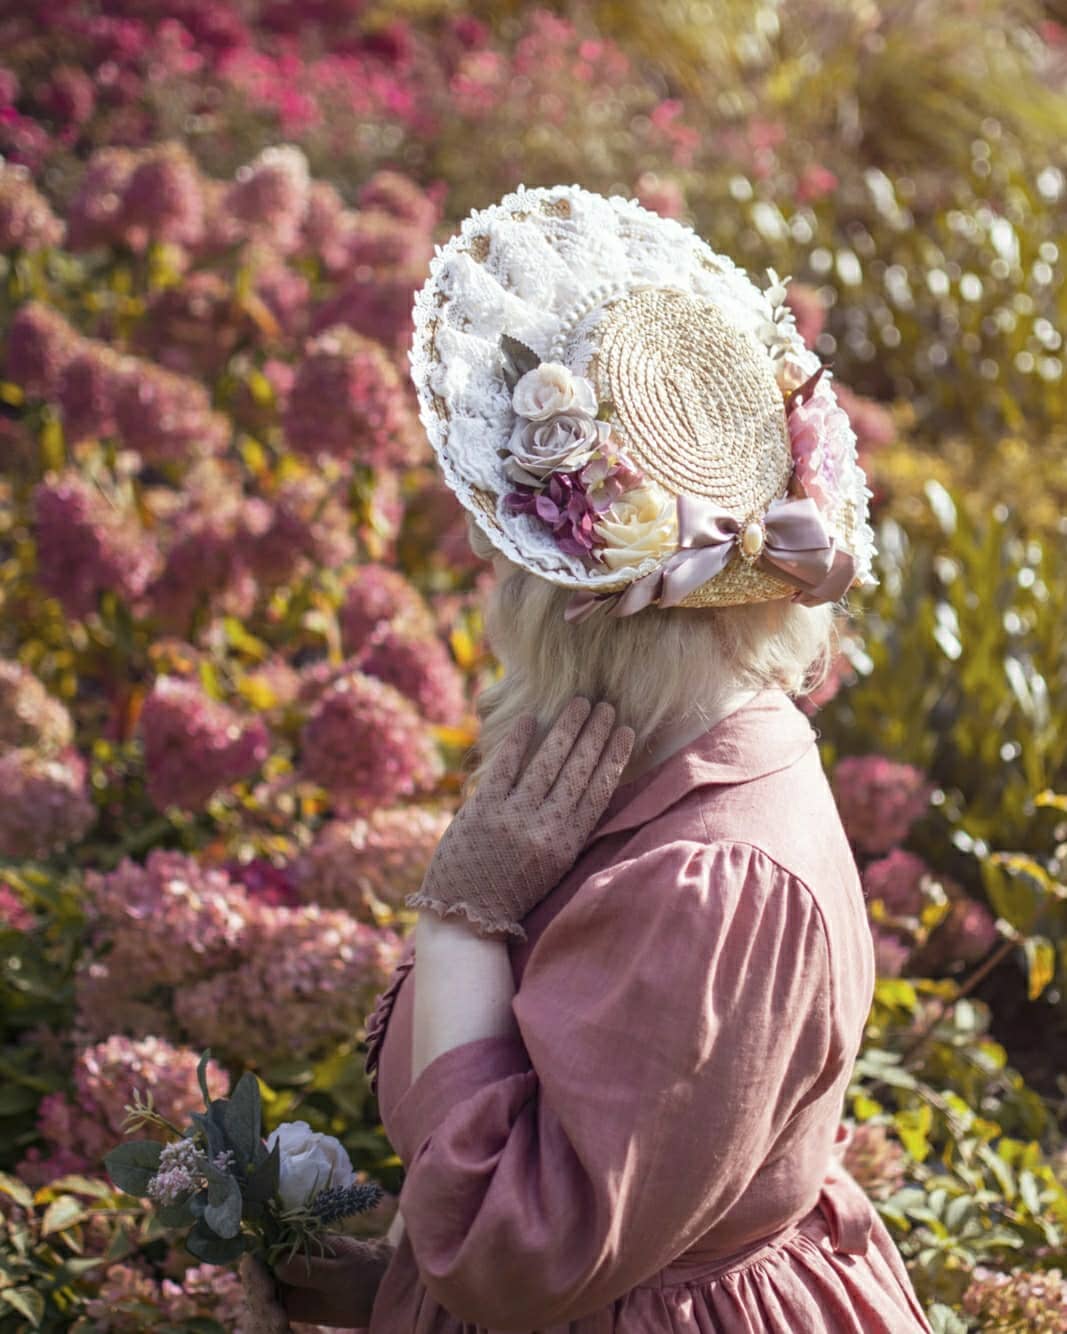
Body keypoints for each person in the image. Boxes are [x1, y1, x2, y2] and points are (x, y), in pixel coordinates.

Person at [243, 184, 932, 1332]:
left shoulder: (707, 884)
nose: (488, 591)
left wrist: (464, 913)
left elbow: (516, 1254)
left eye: (505, 567)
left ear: (581, 609)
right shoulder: (695, 754)